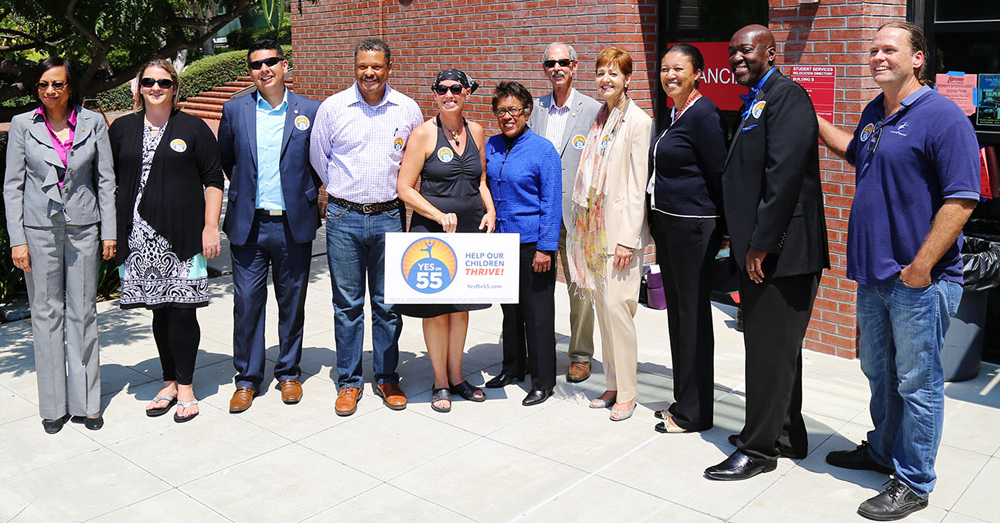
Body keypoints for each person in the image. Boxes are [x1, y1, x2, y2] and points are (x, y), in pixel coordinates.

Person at [816, 22, 979, 521]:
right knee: (879, 373)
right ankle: (882, 450)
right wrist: (814, 117)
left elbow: (961, 199)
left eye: (890, 49)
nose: (878, 56)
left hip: (918, 281)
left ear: (918, 59)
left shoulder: (943, 117)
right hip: (875, 276)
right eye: (873, 50)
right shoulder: (874, 114)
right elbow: (855, 153)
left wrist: (922, 266)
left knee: (918, 381)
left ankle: (914, 481)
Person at [704, 25, 829, 480]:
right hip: (759, 248)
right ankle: (788, 433)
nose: (736, 56)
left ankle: (758, 451)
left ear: (771, 52)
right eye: (732, 49)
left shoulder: (787, 96)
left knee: (765, 350)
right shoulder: (757, 98)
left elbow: (784, 175)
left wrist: (759, 243)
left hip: (782, 252)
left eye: (747, 49)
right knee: (778, 350)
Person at [309, 38, 422, 416]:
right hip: (343, 218)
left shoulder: (407, 109)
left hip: (390, 216)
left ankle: (388, 377)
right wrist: (346, 194)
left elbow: (414, 161)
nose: (369, 73)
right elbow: (319, 159)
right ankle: (349, 381)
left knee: (388, 305)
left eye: (376, 66)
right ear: (354, 67)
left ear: (390, 67)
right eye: (362, 66)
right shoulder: (333, 108)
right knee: (347, 305)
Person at [109, 59, 225, 423]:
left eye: (163, 82)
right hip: (138, 236)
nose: (156, 88)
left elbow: (213, 180)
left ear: (175, 88)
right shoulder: (123, 128)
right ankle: (169, 381)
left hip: (184, 235)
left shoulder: (192, 127)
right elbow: (106, 180)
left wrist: (210, 227)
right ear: (139, 87)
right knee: (158, 309)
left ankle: (187, 387)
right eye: (148, 82)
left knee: (183, 310)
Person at [3, 57, 115, 433]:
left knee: (83, 313)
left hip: (84, 229)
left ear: (70, 87)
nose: (51, 91)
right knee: (46, 315)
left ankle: (88, 403)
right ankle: (53, 407)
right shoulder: (22, 125)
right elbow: (12, 186)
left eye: (58, 84)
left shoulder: (92, 122)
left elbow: (105, 182)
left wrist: (109, 232)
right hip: (38, 232)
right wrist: (17, 240)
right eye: (43, 85)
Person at [217, 40, 322, 413]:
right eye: (256, 65)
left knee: (292, 303)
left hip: (293, 224)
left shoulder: (310, 109)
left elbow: (318, 162)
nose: (264, 69)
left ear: (285, 65)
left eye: (271, 62)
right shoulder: (234, 110)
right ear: (250, 71)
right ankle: (246, 378)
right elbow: (227, 160)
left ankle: (289, 372)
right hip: (250, 224)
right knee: (246, 303)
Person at [396, 69, 495, 413]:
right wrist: (438, 215)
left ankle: (457, 377)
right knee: (436, 310)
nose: (448, 94)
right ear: (434, 94)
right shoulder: (423, 134)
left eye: (456, 88)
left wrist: (491, 210)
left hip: (468, 229)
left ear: (468, 92)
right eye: (442, 89)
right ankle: (440, 381)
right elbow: (405, 188)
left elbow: (479, 178)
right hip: (431, 233)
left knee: (461, 307)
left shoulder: (477, 131)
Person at [567, 47, 652, 422]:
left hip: (619, 235)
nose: (606, 80)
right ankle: (613, 382)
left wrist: (627, 239)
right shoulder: (600, 120)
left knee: (620, 312)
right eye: (601, 73)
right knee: (603, 311)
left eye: (614, 74)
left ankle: (629, 392)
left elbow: (637, 187)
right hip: (594, 232)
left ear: (628, 79)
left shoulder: (638, 122)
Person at [647, 43, 728, 434]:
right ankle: (685, 400)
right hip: (669, 227)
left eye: (678, 69)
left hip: (694, 228)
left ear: (697, 72)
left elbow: (718, 173)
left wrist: (725, 228)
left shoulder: (705, 114)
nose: (670, 76)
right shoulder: (672, 112)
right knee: (678, 317)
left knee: (692, 318)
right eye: (664, 69)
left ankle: (696, 413)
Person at [484, 81, 561, 406]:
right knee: (510, 313)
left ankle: (544, 381)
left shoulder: (543, 150)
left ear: (527, 111)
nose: (507, 116)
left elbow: (552, 201)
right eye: (501, 111)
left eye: (514, 109)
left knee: (538, 315)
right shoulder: (491, 145)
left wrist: (546, 247)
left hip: (533, 245)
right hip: (502, 243)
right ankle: (512, 367)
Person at [528, 42, 602, 383]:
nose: (556, 68)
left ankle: (580, 354)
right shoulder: (536, 108)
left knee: (580, 287)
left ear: (575, 66)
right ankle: (540, 349)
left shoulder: (593, 109)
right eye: (550, 63)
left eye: (563, 62)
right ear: (544, 69)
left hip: (577, 214)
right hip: (541, 213)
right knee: (539, 288)